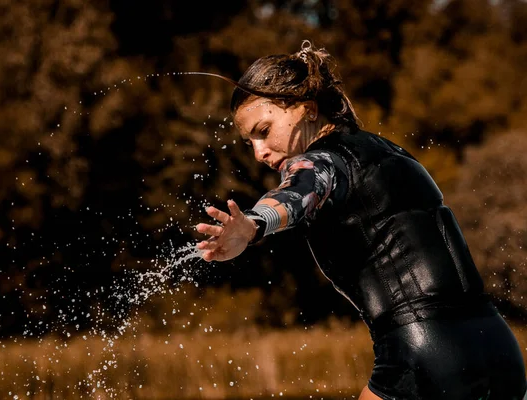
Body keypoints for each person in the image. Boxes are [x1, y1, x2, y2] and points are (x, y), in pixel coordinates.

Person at [194, 40, 527, 400]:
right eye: (248, 142)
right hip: (498, 349)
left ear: (306, 109)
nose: (259, 152)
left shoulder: (320, 160)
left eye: (263, 131)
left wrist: (255, 223)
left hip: (423, 353)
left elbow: (300, 190)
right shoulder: (393, 153)